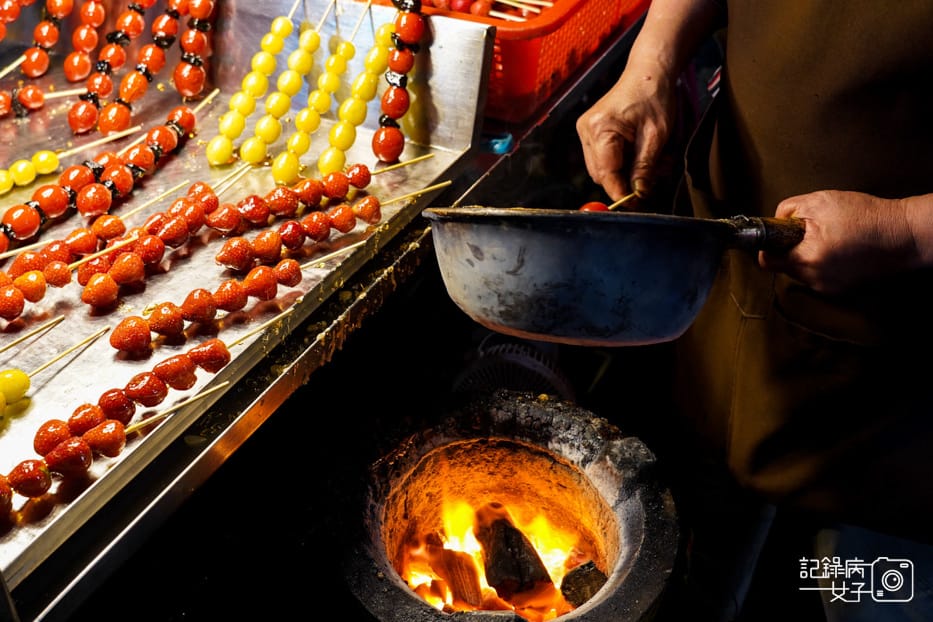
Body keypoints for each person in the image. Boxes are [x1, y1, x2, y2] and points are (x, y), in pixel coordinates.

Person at [576, 1, 933, 620]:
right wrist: (651, 61)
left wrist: (907, 230)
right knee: (709, 547)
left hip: (898, 354)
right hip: (733, 278)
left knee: (874, 588)